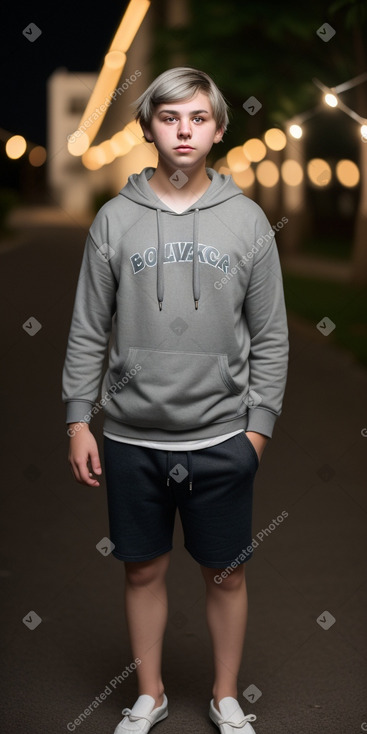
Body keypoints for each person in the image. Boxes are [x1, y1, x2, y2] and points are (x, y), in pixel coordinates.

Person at [62, 66, 289, 734]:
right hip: (131, 438)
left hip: (221, 438)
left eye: (197, 118)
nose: (183, 130)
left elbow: (271, 336)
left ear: (217, 129)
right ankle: (150, 694)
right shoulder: (114, 220)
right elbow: (85, 328)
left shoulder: (247, 222)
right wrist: (80, 418)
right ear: (149, 128)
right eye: (169, 117)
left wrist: (256, 435)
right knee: (141, 573)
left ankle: (223, 696)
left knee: (225, 576)